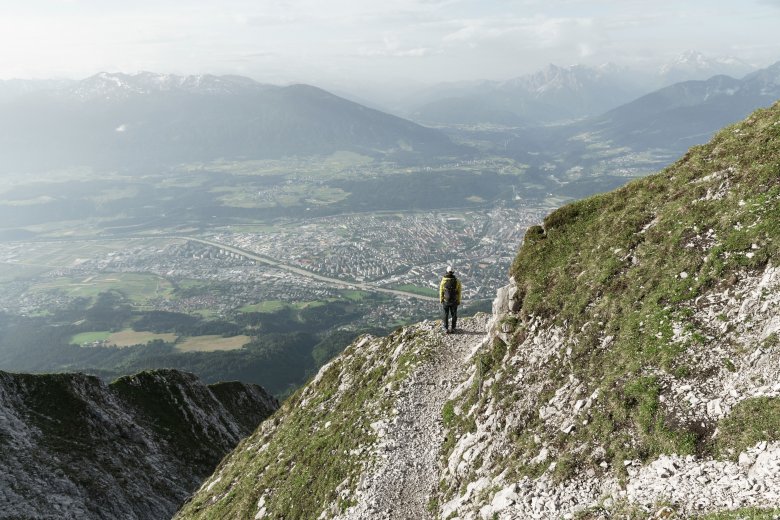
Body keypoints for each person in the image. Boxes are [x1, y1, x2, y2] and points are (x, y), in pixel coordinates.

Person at [439, 266, 462, 334]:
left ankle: (445, 328)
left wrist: (441, 299)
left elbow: (441, 291)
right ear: (453, 272)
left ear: (446, 271)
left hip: (446, 301)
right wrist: (458, 300)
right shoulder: (457, 281)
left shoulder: (443, 280)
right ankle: (453, 328)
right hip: (454, 301)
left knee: (445, 314)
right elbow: (459, 291)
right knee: (454, 314)